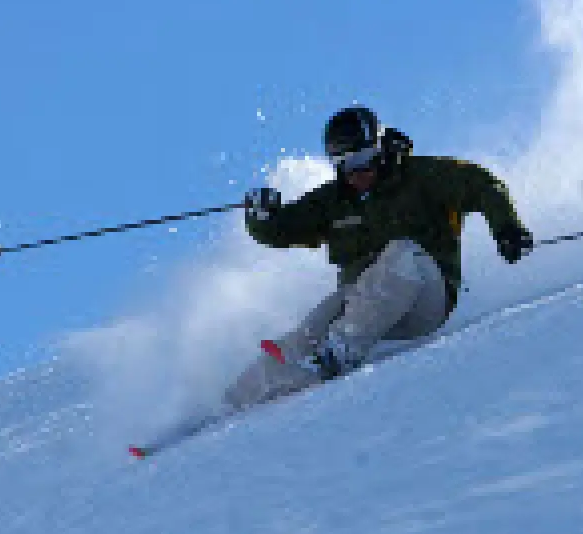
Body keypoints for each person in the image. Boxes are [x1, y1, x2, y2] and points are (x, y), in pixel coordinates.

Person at [223, 105, 533, 412]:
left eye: (363, 158)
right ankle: (238, 402)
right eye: (345, 163)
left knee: (402, 253)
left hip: (425, 298)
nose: (357, 171)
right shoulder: (333, 201)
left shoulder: (422, 177)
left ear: (380, 147)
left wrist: (507, 228)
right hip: (367, 307)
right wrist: (260, 214)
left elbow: (483, 184)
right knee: (317, 323)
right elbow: (280, 230)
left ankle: (341, 350)